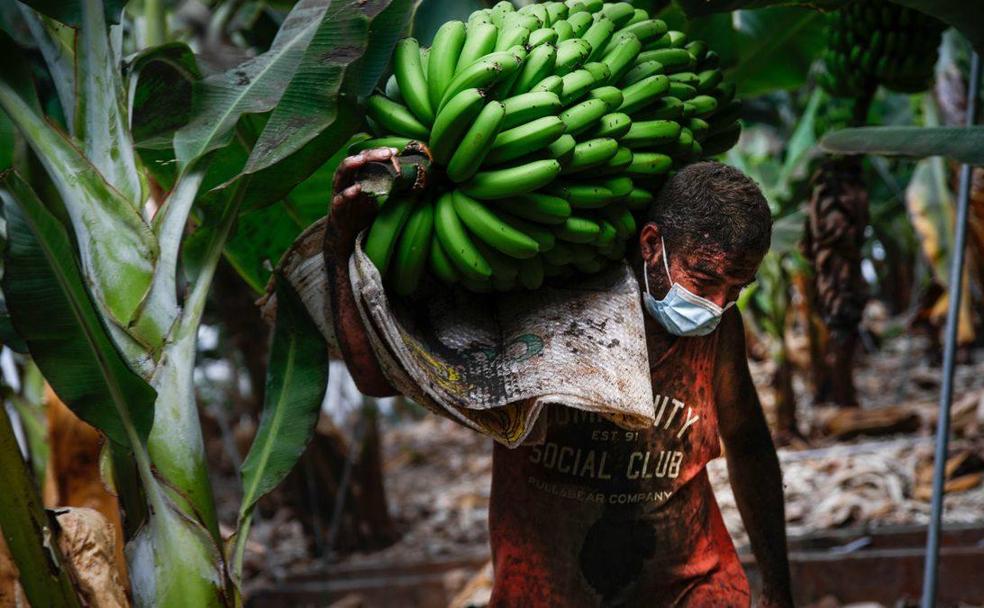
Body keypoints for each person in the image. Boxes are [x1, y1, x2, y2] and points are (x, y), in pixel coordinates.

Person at [326, 148, 794, 608]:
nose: (717, 305)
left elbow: (747, 440)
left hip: (691, 585)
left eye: (737, 289)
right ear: (652, 244)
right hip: (546, 588)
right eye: (705, 281)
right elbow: (375, 378)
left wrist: (777, 587)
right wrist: (339, 244)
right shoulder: (543, 303)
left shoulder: (719, 328)